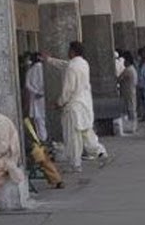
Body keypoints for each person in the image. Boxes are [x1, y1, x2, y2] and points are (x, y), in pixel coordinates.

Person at [43, 42, 107, 171]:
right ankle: (99, 151)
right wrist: (50, 60)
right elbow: (64, 65)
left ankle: (75, 163)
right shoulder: (83, 64)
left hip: (73, 106)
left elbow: (68, 90)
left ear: (72, 51)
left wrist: (59, 103)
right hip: (85, 104)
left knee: (73, 136)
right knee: (87, 131)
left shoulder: (72, 67)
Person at [23, 53, 47, 141]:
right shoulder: (43, 69)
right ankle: (43, 139)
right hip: (43, 98)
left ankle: (41, 139)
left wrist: (35, 91)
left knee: (38, 121)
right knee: (41, 121)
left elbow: (27, 84)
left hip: (35, 97)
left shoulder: (30, 70)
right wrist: (41, 92)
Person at [116, 52, 139, 135]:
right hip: (131, 91)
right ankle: (134, 126)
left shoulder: (128, 70)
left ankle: (132, 126)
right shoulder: (133, 69)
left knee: (130, 109)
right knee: (132, 108)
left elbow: (118, 79)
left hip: (128, 92)